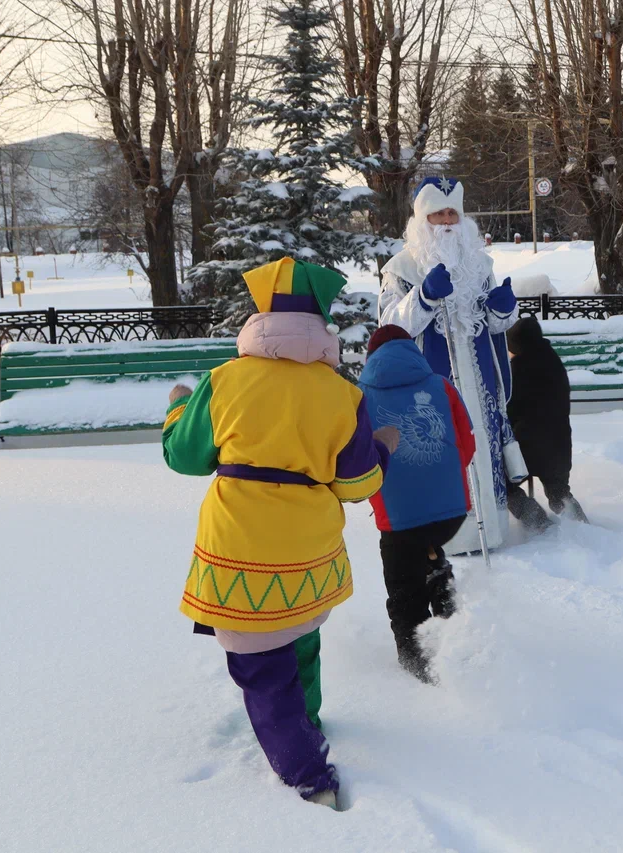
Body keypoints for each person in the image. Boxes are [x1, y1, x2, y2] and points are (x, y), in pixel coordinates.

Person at [163, 257, 397, 810]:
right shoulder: (342, 394)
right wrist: (383, 446)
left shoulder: (225, 380)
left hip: (241, 547)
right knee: (299, 636)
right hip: (311, 548)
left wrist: (177, 410)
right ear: (321, 321)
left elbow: (185, 457)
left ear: (259, 314)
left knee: (261, 666)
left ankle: (308, 777)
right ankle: (307, 722)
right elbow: (359, 483)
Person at [380, 176, 522, 554]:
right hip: (430, 385)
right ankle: (447, 538)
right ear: (421, 219)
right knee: (443, 450)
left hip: (479, 379)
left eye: (451, 214)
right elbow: (388, 326)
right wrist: (423, 297)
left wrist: (503, 309)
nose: (445, 222)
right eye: (437, 214)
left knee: (482, 446)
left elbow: (494, 324)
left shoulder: (480, 264)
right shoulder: (402, 268)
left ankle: (490, 530)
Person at [357, 324, 476, 683]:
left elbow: (358, 459)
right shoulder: (441, 384)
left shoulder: (358, 396)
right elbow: (467, 445)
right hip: (451, 511)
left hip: (398, 518)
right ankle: (453, 626)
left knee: (404, 588)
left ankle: (417, 668)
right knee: (429, 549)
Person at [504, 315, 588, 528]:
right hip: (560, 444)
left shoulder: (520, 369)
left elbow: (510, 410)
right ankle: (581, 526)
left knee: (504, 486)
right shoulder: (552, 359)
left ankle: (540, 525)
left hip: (529, 446)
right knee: (558, 490)